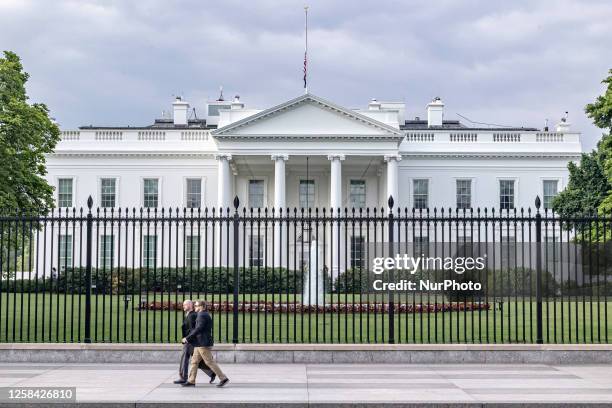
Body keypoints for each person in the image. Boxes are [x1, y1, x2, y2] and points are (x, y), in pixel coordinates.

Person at [182, 300, 229, 387]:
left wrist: (188, 338)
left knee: (209, 362)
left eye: (196, 306)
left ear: (201, 307)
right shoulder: (203, 314)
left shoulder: (202, 315)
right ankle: (191, 381)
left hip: (202, 343)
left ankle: (223, 378)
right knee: (194, 361)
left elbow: (198, 329)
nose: (194, 307)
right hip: (199, 342)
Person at [173, 300, 216, 384]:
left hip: (190, 341)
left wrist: (187, 338)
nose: (183, 306)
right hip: (192, 340)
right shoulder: (190, 314)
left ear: (190, 305)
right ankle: (211, 373)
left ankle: (183, 377)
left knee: (185, 357)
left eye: (185, 305)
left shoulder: (192, 315)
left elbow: (195, 329)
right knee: (197, 361)